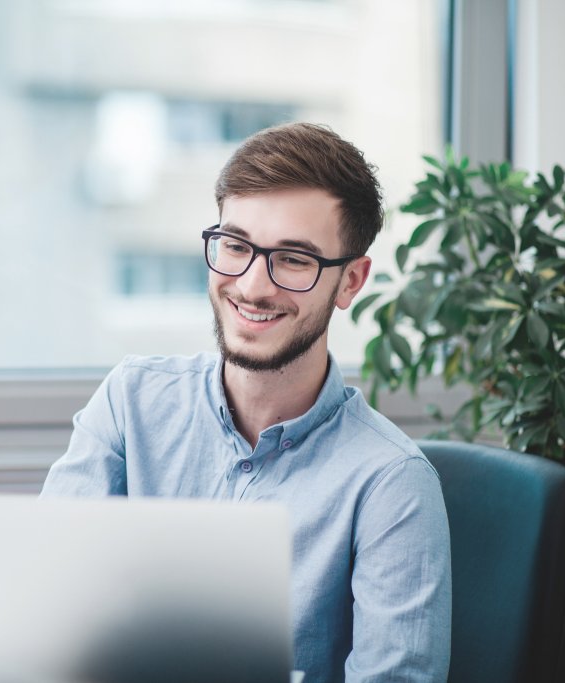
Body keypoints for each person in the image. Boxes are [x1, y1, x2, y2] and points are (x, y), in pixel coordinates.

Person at [41, 122, 452, 682]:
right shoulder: (130, 400)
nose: (253, 286)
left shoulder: (391, 482)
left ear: (351, 282)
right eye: (235, 246)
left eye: (293, 259)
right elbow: (45, 616)